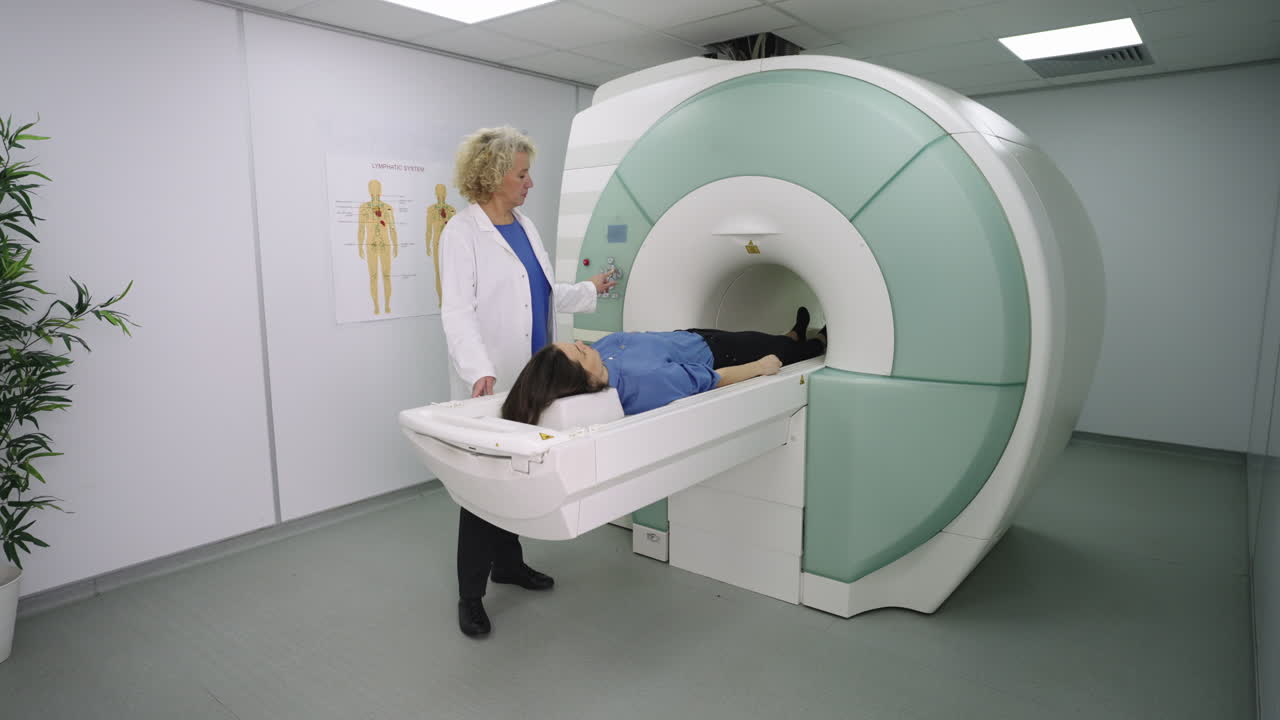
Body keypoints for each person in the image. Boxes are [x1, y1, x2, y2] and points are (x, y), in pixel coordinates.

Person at [439, 126, 615, 638]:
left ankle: (509, 565)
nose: (529, 182)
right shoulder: (462, 233)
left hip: (533, 376)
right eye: (521, 173)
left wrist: (588, 290)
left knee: (517, 475)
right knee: (481, 488)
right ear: (494, 176)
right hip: (490, 379)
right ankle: (469, 596)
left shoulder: (524, 225)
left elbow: (539, 291)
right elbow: (457, 312)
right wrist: (479, 370)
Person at [502, 308, 826, 425]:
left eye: (576, 343)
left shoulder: (594, 360)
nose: (584, 345)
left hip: (690, 336)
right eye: (579, 352)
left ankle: (792, 333)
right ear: (585, 378)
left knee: (770, 338)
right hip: (718, 354)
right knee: (779, 351)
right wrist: (759, 366)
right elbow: (711, 379)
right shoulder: (644, 382)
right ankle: (816, 342)